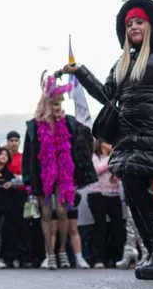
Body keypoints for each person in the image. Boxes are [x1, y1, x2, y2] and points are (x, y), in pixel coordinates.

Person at [62, 0, 153, 280]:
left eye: (139, 21)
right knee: (132, 188)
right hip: (130, 138)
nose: (133, 27)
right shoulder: (124, 61)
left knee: (136, 187)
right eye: (129, 24)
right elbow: (106, 95)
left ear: (152, 24)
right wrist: (80, 71)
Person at [22, 75, 97, 270]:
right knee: (46, 213)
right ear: (46, 104)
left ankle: (62, 251)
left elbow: (87, 139)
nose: (58, 107)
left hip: (64, 176)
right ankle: (50, 254)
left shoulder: (70, 123)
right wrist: (28, 181)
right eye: (55, 103)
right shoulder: (33, 126)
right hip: (42, 175)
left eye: (60, 103)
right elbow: (28, 156)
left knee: (63, 212)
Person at [87, 140, 124, 268]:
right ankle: (97, 258)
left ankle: (116, 258)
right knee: (100, 226)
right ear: (102, 143)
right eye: (109, 142)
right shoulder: (94, 157)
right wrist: (111, 158)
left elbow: (120, 173)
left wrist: (117, 176)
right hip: (97, 194)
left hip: (113, 194)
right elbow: (96, 170)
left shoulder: (115, 158)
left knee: (117, 226)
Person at [1, 130, 31, 268]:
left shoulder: (24, 157)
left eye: (16, 140)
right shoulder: (5, 158)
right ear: (7, 142)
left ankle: (23, 258)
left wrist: (16, 178)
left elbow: (26, 175)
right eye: (11, 140)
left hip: (23, 196)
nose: (13, 143)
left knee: (24, 227)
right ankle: (9, 257)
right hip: (8, 196)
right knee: (9, 227)